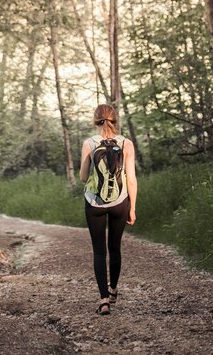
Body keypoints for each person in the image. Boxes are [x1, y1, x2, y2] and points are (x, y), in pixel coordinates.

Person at [80, 103, 137, 316]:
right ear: (115, 119)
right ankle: (113, 291)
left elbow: (83, 177)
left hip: (95, 202)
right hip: (120, 202)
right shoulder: (127, 143)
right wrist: (132, 208)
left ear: (96, 120)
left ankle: (103, 300)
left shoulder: (89, 143)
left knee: (98, 251)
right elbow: (131, 179)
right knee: (115, 249)